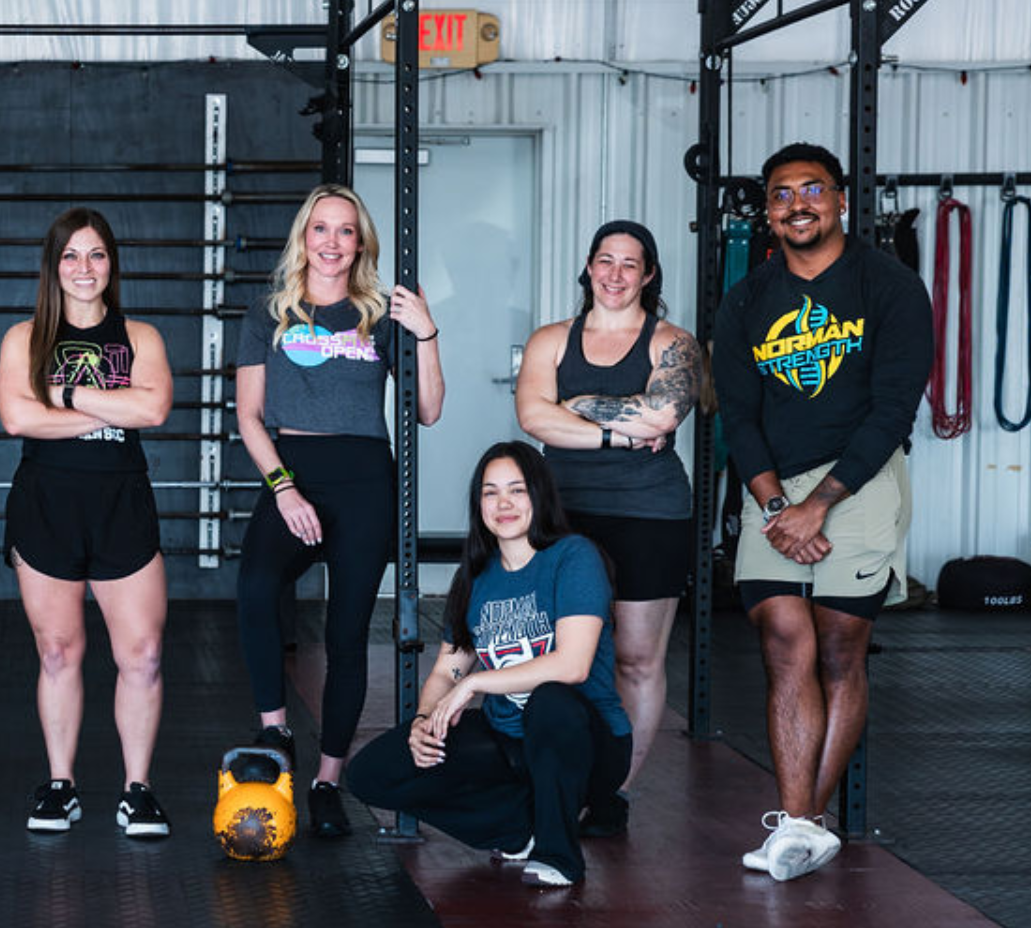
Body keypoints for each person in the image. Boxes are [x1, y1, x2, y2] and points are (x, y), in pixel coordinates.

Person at [714, 142, 932, 882]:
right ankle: (803, 825)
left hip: (860, 483)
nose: (797, 203)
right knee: (783, 641)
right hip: (773, 491)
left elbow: (893, 407)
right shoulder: (745, 299)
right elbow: (738, 418)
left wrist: (821, 505)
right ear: (767, 212)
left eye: (813, 189)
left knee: (840, 650)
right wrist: (778, 504)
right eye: (781, 193)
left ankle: (799, 825)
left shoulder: (892, 287)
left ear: (840, 200)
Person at [234, 183, 444, 838]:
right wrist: (284, 488)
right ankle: (276, 735)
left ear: (361, 243)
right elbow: (248, 415)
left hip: (362, 478)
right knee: (256, 588)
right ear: (304, 237)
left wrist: (427, 331)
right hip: (293, 470)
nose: (331, 242)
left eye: (344, 231)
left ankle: (328, 782)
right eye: (320, 229)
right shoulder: (268, 312)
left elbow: (428, 410)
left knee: (348, 634)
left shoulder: (379, 315)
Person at [344, 442, 631, 889]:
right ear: (478, 505)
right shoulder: (476, 576)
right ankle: (517, 831)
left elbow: (572, 665)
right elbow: (446, 670)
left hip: (588, 745)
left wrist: (475, 683)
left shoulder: (574, 557)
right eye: (490, 492)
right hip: (510, 741)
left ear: (539, 496)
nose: (503, 504)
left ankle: (560, 857)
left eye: (517, 490)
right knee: (372, 773)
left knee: (551, 700)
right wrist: (424, 720)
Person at [0, 209, 174, 838]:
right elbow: (17, 420)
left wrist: (62, 397)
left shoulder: (141, 337)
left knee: (143, 655)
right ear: (54, 266)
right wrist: (106, 408)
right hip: (46, 502)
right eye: (72, 256)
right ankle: (61, 785)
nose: (84, 268)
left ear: (111, 264)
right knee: (58, 651)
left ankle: (137, 790)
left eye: (96, 255)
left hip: (121, 502)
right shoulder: (24, 338)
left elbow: (152, 407)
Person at [514, 220, 698, 831]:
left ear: (648, 275)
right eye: (605, 261)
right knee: (562, 655)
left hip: (649, 510)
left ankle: (612, 791)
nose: (615, 274)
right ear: (588, 268)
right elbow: (533, 420)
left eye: (629, 264)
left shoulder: (673, 343)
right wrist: (620, 430)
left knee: (637, 660)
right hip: (562, 510)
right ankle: (558, 777)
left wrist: (574, 406)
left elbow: (666, 410)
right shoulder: (550, 340)